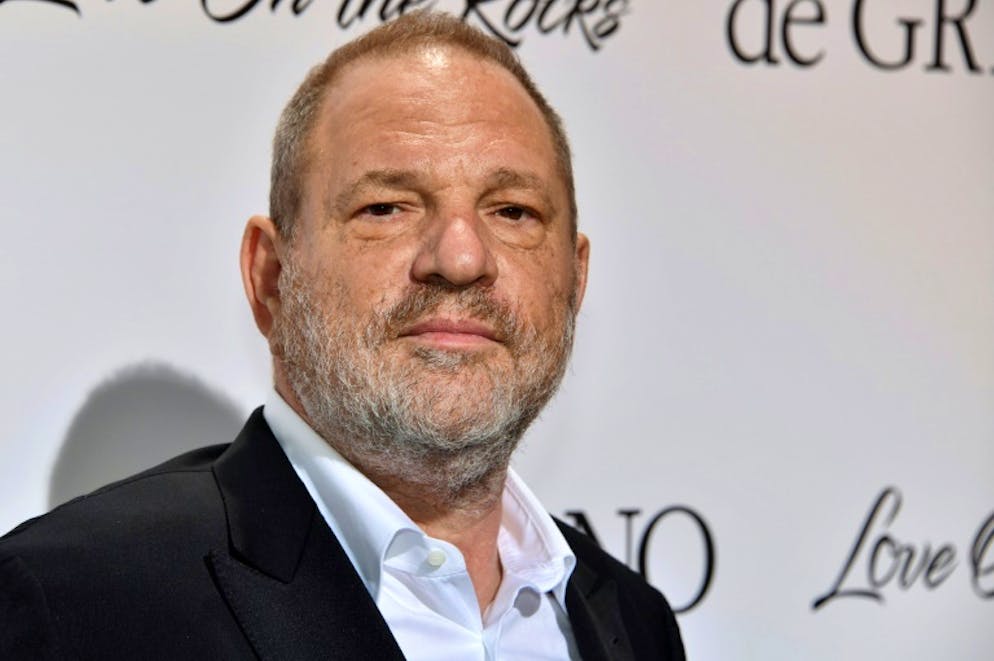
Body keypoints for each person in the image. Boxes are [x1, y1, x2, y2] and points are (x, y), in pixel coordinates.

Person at [0, 11, 685, 660]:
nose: (460, 257)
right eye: (386, 207)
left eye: (513, 211)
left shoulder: (634, 621)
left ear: (575, 278)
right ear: (271, 278)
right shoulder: (70, 604)